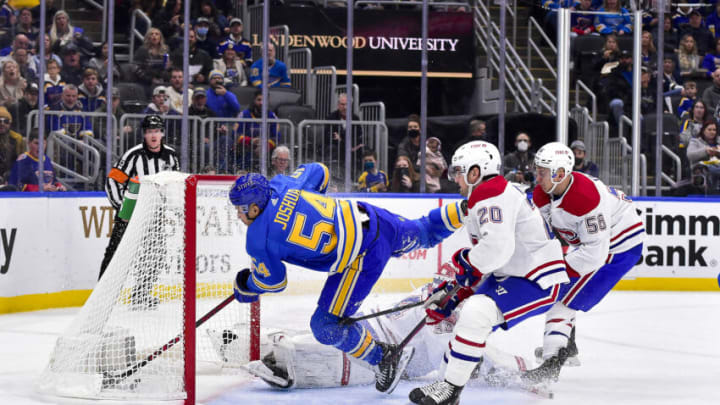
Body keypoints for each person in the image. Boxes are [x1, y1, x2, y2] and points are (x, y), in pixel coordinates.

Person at [227, 163, 467, 394]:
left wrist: (246, 286)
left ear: (255, 208)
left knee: (325, 325)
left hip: (360, 258)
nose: (239, 214)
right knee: (424, 230)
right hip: (369, 218)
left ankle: (384, 358)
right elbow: (319, 171)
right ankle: (468, 208)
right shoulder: (282, 184)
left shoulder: (258, 239)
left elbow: (273, 282)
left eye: (241, 208)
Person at [409, 141, 568, 405]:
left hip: (537, 277)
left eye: (459, 171)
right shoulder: (488, 195)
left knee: (477, 312)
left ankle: (450, 388)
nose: (455, 178)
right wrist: (456, 292)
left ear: (475, 172)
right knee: (467, 315)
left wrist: (462, 271)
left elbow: (496, 250)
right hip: (513, 273)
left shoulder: (491, 194)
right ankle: (449, 379)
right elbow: (492, 259)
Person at [240, 281, 537, 391]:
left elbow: (480, 361)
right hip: (378, 340)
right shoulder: (440, 298)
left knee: (334, 358)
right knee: (326, 337)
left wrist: (525, 371)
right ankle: (271, 348)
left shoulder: (455, 325)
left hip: (389, 358)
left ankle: (288, 368)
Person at [525, 142, 645, 384]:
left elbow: (594, 255)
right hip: (596, 244)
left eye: (542, 172)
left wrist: (557, 271)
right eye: (537, 170)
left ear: (560, 173)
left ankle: (551, 363)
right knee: (565, 291)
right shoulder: (547, 190)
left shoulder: (586, 200)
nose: (537, 176)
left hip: (617, 249)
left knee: (562, 300)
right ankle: (566, 346)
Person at [100, 115, 180, 287]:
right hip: (130, 215)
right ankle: (103, 293)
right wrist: (123, 209)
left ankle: (142, 294)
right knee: (116, 254)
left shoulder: (171, 156)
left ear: (162, 133)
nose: (154, 135)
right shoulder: (133, 155)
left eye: (157, 131)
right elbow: (112, 181)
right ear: (144, 134)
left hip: (155, 216)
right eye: (150, 131)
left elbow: (174, 185)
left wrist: (171, 208)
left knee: (156, 255)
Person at [0, 106, 25, 179]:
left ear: (10, 123)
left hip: (11, 176)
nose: (2, 124)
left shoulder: (17, 138)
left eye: (6, 121)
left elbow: (21, 161)